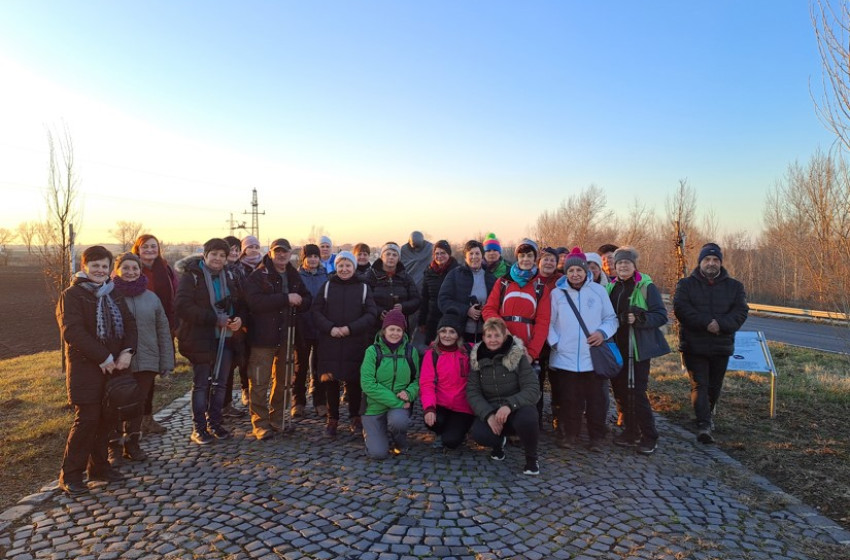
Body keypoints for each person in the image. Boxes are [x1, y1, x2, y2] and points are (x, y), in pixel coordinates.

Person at [56, 245, 138, 495]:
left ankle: (99, 468)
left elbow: (130, 324)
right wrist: (103, 357)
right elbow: (72, 331)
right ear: (85, 267)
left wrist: (127, 352)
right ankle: (70, 474)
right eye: (95, 265)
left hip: (115, 369)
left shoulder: (113, 293)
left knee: (108, 419)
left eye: (105, 266)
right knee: (87, 421)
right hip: (86, 369)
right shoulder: (72, 295)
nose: (100, 270)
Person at [674, 242, 749, 444]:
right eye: (707, 259)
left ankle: (706, 416)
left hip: (721, 345)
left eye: (715, 260)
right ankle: (704, 425)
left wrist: (721, 324)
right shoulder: (686, 284)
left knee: (714, 387)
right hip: (694, 344)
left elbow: (741, 312)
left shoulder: (735, 287)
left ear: (720, 263)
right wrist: (706, 323)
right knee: (700, 385)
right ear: (700, 262)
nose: (711, 263)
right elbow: (681, 309)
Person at [175, 238, 246, 445]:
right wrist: (215, 319)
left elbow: (241, 302)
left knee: (221, 383)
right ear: (205, 255)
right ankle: (199, 427)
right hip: (200, 339)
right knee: (202, 384)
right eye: (213, 254)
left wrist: (239, 318)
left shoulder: (231, 275)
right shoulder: (192, 277)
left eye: (222, 255)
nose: (217, 258)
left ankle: (215, 422)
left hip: (227, 339)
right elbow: (182, 306)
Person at [547, 248, 619, 452]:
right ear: (566, 272)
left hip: (592, 357)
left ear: (586, 271)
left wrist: (602, 333)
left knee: (596, 400)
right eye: (571, 271)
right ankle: (571, 434)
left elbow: (611, 319)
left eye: (579, 270)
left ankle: (596, 437)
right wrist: (556, 343)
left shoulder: (598, 291)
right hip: (565, 358)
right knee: (570, 400)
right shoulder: (556, 294)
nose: (575, 274)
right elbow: (549, 323)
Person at [244, 238, 312, 440]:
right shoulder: (259, 275)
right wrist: (285, 299)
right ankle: (260, 423)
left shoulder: (294, 275)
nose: (282, 255)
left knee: (283, 381)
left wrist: (300, 301)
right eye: (278, 251)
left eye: (285, 251)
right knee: (259, 382)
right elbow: (254, 302)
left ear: (290, 253)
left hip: (287, 336)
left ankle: (277, 419)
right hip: (262, 337)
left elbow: (306, 298)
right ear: (271, 253)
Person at [110, 252, 174, 464]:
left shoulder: (151, 298)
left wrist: (166, 361)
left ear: (140, 271)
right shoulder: (109, 296)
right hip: (118, 361)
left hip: (147, 360)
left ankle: (133, 444)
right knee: (116, 404)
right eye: (126, 268)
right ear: (117, 271)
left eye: (134, 268)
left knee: (138, 403)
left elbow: (163, 330)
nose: (130, 272)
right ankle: (114, 447)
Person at [606, 247, 670, 455]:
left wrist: (640, 318)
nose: (623, 266)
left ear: (634, 265)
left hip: (638, 348)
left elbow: (661, 315)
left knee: (637, 392)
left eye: (627, 263)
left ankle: (649, 435)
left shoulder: (645, 286)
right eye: (620, 263)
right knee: (623, 392)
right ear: (615, 266)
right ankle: (631, 431)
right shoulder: (612, 287)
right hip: (618, 347)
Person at [312, 251, 377, 436]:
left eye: (348, 265)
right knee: (331, 380)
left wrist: (350, 328)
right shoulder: (327, 285)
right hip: (330, 340)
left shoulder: (363, 287)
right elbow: (316, 312)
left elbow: (371, 314)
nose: (344, 268)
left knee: (354, 380)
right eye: (340, 265)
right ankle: (332, 418)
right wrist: (330, 328)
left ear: (354, 267)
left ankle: (355, 417)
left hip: (355, 341)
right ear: (336, 267)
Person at [467, 318, 541, 475]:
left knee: (528, 418)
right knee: (479, 434)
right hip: (492, 408)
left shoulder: (517, 356)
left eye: (497, 335)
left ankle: (531, 459)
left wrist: (509, 405)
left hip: (516, 408)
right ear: (484, 337)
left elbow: (533, 388)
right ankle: (498, 443)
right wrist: (488, 415)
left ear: (504, 337)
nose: (493, 340)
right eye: (489, 336)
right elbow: (473, 392)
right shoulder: (477, 359)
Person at [131, 234, 177, 435]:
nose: (150, 250)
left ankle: (147, 419)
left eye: (153, 246)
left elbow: (175, 294)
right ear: (138, 249)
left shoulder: (165, 268)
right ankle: (133, 423)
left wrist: (173, 325)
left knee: (150, 376)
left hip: (162, 326)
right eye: (145, 247)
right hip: (138, 329)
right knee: (137, 378)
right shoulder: (131, 267)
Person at [360, 309, 421, 458]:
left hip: (399, 407)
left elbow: (417, 380)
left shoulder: (410, 351)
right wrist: (398, 403)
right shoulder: (372, 351)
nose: (395, 333)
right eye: (391, 329)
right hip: (374, 407)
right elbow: (368, 384)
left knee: (399, 421)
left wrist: (410, 393)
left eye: (399, 330)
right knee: (378, 453)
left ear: (403, 331)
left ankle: (399, 441)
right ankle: (373, 433)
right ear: (384, 330)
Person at [482, 239, 551, 362]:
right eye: (522, 256)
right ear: (517, 258)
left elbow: (543, 322)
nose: (525, 259)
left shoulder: (540, 288)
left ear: (535, 258)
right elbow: (488, 309)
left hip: (526, 347)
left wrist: (532, 353)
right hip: (501, 342)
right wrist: (502, 328)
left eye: (529, 256)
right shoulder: (503, 282)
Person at [420, 311, 475, 450]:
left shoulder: (468, 350)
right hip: (441, 403)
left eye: (452, 332)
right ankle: (444, 430)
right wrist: (429, 408)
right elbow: (427, 383)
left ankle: (461, 430)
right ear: (438, 333)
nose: (447, 335)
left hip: (463, 406)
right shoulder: (432, 353)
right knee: (433, 421)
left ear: (458, 334)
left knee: (451, 441)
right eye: (443, 331)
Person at [438, 240, 496, 344]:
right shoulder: (454, 275)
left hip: (486, 333)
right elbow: (443, 301)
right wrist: (467, 310)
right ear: (465, 257)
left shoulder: (491, 277)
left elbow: (496, 303)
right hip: (459, 331)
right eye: (471, 254)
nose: (474, 257)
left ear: (482, 256)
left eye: (477, 253)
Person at [297, 244, 329, 417]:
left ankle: (320, 401)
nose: (313, 259)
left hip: (321, 326)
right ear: (304, 258)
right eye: (309, 256)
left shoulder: (326, 276)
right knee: (299, 366)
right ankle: (298, 401)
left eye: (315, 256)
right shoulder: (296, 276)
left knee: (319, 366)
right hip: (302, 325)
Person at [364, 242, 420, 332]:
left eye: (394, 255)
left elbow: (416, 300)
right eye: (388, 254)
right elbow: (364, 299)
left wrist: (403, 307)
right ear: (382, 256)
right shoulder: (371, 276)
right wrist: (378, 312)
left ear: (398, 259)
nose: (391, 257)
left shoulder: (405, 277)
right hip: (375, 327)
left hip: (399, 327)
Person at [419, 240, 459, 345]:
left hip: (450, 318)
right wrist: (422, 321)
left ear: (449, 254)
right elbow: (425, 298)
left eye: (443, 253)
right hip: (432, 318)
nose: (440, 256)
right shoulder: (429, 272)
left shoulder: (457, 271)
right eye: (437, 253)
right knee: (432, 349)